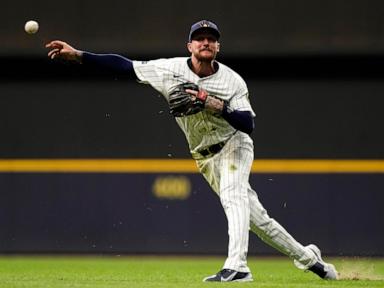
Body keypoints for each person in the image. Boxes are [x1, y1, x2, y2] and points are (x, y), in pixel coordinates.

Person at [45, 20, 338, 282]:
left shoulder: (232, 81)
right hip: (205, 157)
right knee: (257, 221)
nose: (206, 42)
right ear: (190, 46)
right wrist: (80, 55)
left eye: (211, 38)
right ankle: (312, 261)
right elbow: (124, 65)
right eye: (200, 38)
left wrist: (215, 103)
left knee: (233, 196)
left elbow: (248, 123)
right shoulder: (168, 69)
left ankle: (237, 267)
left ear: (218, 46)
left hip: (234, 145)